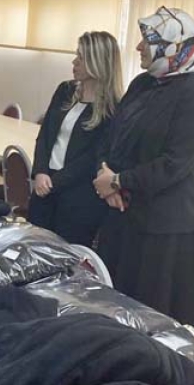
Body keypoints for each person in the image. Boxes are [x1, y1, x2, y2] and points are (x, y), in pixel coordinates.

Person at [93, 7, 194, 328]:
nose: (138, 47)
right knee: (114, 312)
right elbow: (113, 136)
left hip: (165, 231)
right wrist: (107, 178)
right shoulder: (143, 83)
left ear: (174, 45)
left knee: (153, 323)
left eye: (148, 41)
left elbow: (175, 163)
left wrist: (118, 181)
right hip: (124, 215)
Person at [28, 31, 122, 246]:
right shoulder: (65, 90)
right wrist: (40, 171)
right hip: (45, 185)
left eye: (81, 57)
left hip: (78, 196)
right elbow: (45, 136)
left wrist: (54, 182)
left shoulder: (113, 107)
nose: (74, 62)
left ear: (98, 62)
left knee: (66, 254)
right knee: (34, 248)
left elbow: (93, 157)